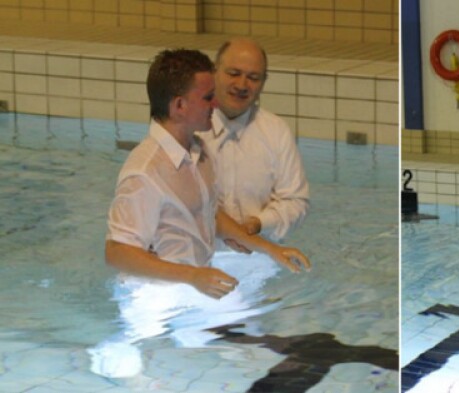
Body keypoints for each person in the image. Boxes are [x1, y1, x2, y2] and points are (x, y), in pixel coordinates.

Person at [89, 49, 310, 378]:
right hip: (152, 294)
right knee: (135, 368)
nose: (216, 104)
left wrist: (270, 248)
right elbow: (117, 252)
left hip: (197, 280)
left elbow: (210, 213)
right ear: (179, 106)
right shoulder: (145, 172)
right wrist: (191, 277)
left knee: (252, 350)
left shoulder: (197, 150)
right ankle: (111, 352)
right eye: (208, 97)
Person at [198, 37, 309, 250]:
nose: (241, 85)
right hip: (199, 255)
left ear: (264, 82)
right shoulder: (190, 127)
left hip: (258, 253)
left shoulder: (276, 132)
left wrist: (257, 224)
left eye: (253, 78)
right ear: (214, 72)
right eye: (233, 73)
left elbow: (296, 202)